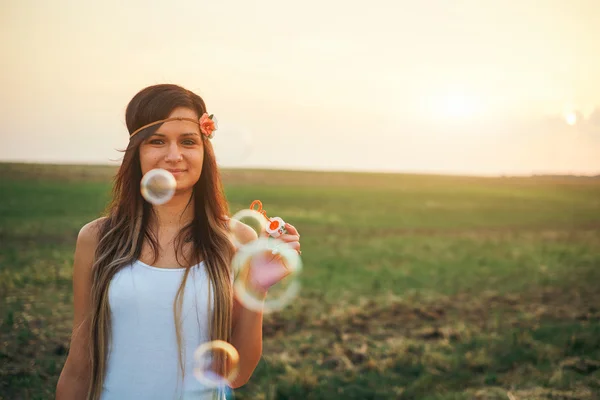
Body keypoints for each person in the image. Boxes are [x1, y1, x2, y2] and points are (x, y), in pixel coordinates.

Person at [55, 84, 302, 399]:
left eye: (188, 142)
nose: (175, 156)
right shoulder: (97, 238)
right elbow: (79, 364)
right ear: (137, 152)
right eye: (157, 141)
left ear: (204, 151)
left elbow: (238, 375)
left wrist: (258, 285)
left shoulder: (238, 239)